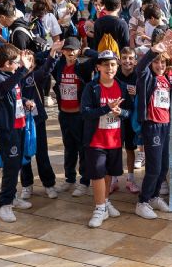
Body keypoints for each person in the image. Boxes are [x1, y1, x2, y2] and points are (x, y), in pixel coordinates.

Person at [81, 50, 131, 227]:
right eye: (106, 64)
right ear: (98, 67)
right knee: (97, 174)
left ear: (117, 67)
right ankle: (99, 208)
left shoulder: (122, 87)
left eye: (112, 64)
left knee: (108, 173)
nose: (109, 68)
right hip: (96, 140)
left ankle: (106, 201)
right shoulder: (91, 87)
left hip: (115, 140)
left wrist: (121, 112)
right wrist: (106, 108)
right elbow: (85, 112)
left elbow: (129, 112)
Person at [0, 44, 36, 223]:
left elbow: (12, 95)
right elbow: (1, 90)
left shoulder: (10, 76)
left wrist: (25, 101)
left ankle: (13, 196)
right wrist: (22, 70)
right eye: (16, 62)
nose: (19, 65)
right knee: (10, 167)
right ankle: (4, 204)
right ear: (7, 63)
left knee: (16, 165)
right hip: (8, 129)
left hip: (20, 125)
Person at [135, 30, 172, 219]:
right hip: (151, 125)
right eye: (156, 62)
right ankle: (142, 201)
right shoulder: (148, 77)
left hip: (165, 125)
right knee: (153, 167)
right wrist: (153, 51)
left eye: (162, 62)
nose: (160, 65)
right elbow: (140, 68)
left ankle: (154, 196)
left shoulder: (166, 79)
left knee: (163, 166)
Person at [52, 36, 97, 196]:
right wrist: (53, 50)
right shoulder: (59, 65)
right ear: (63, 51)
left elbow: (100, 57)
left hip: (79, 115)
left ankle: (84, 181)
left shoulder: (83, 66)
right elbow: (41, 63)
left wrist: (87, 50)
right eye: (67, 49)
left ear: (78, 51)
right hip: (64, 114)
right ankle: (69, 179)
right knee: (69, 148)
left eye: (74, 49)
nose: (70, 52)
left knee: (82, 148)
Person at [19, 40, 63, 200]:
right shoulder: (14, 76)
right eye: (23, 59)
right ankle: (26, 185)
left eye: (30, 59)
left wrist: (53, 53)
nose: (25, 62)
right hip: (20, 122)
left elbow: (46, 69)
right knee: (24, 155)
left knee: (42, 153)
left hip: (37, 120)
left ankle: (49, 183)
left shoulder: (35, 75)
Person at [115, 47, 145, 179]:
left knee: (130, 149)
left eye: (131, 58)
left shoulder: (139, 77)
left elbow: (145, 96)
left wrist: (137, 93)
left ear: (136, 61)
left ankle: (131, 178)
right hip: (116, 117)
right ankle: (114, 178)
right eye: (124, 58)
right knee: (115, 149)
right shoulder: (114, 75)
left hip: (131, 118)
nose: (127, 61)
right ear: (119, 60)